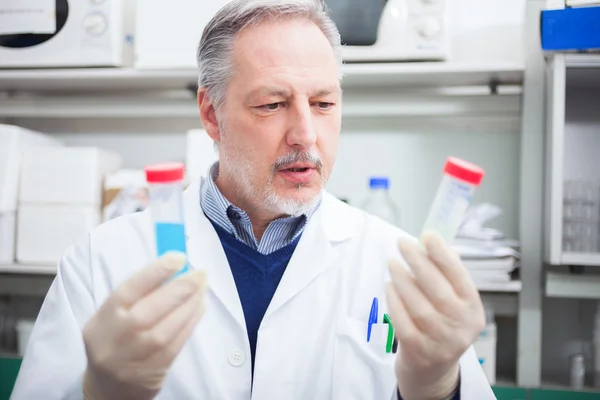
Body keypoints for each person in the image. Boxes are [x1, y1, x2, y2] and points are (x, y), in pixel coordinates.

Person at [11, 0, 496, 399]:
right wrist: (100, 391)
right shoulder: (102, 263)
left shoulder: (393, 262)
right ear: (211, 113)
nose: (306, 135)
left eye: (324, 103)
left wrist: (436, 385)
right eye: (272, 104)